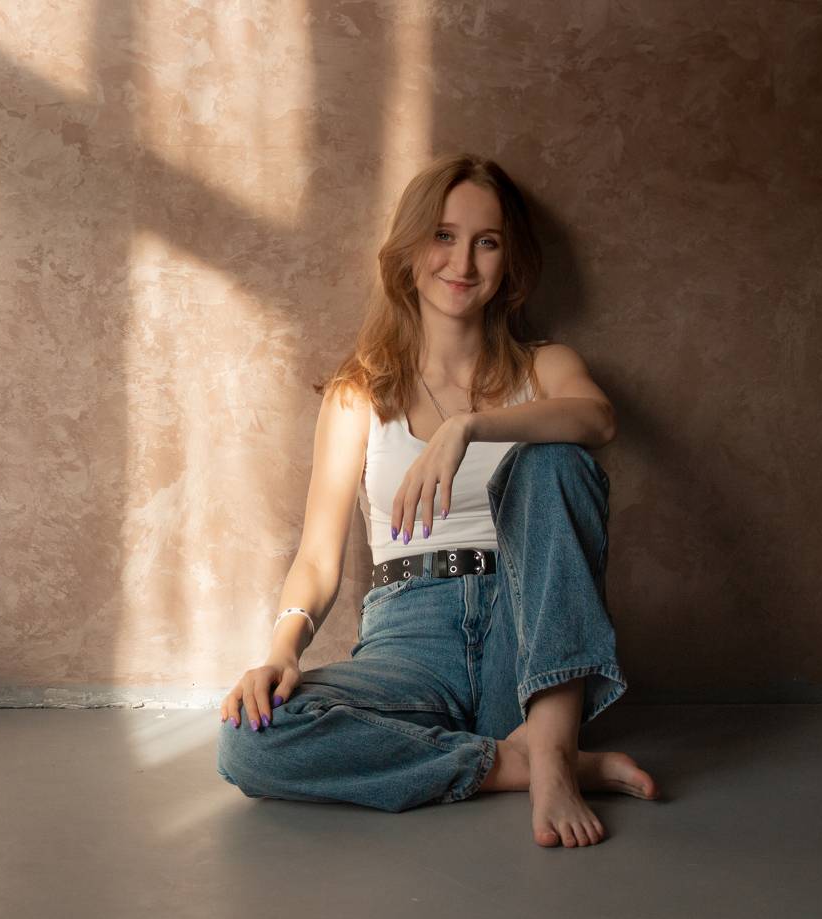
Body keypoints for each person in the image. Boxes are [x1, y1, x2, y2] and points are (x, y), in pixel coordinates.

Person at [216, 152, 659, 848]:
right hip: (410, 639)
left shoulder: (544, 367)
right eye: (443, 236)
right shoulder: (360, 393)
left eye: (487, 242)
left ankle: (548, 745)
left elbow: (597, 419)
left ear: (508, 262)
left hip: (524, 634)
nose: (463, 262)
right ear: (410, 250)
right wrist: (283, 651)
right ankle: (527, 761)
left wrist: (469, 426)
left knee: (557, 457)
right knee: (250, 741)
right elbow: (319, 558)